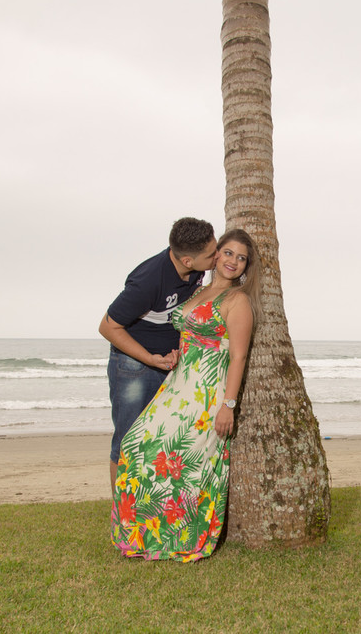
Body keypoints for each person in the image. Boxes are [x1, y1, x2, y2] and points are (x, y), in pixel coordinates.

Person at [111, 228, 263, 561]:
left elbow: (238, 356)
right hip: (177, 383)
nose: (233, 261)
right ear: (215, 254)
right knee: (135, 444)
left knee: (185, 463)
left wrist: (229, 406)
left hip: (206, 391)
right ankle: (141, 533)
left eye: (241, 258)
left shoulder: (237, 301)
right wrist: (174, 354)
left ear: (246, 266)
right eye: (228, 253)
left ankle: (179, 539)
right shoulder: (199, 288)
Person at [99, 217, 217, 490]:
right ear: (188, 260)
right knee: (127, 440)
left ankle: (147, 498)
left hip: (167, 364)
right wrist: (149, 358)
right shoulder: (148, 281)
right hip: (133, 366)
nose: (216, 257)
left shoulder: (196, 268)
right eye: (212, 254)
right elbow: (107, 326)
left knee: (159, 438)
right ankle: (121, 512)